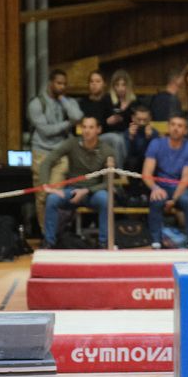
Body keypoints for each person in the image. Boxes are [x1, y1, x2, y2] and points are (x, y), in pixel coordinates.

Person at [38, 116, 114, 248]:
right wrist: (46, 185)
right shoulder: (72, 143)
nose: (87, 131)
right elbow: (47, 162)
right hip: (72, 191)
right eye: (84, 127)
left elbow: (108, 183)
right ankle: (49, 242)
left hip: (93, 192)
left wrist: (86, 191)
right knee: (52, 199)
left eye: (91, 127)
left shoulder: (107, 151)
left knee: (105, 199)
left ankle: (104, 243)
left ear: (98, 130)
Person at [27, 68, 83, 230]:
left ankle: (55, 232)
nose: (62, 87)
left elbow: (78, 117)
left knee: (55, 194)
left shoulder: (67, 101)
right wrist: (68, 124)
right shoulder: (37, 103)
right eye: (58, 83)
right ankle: (46, 232)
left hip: (61, 153)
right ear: (50, 83)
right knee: (42, 195)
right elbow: (46, 131)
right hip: (41, 152)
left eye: (64, 84)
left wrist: (63, 99)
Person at [141, 113, 188, 249]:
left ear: (185, 130)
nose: (175, 128)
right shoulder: (156, 144)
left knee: (187, 201)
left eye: (180, 126)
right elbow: (146, 173)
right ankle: (155, 240)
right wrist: (155, 188)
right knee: (156, 200)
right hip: (161, 184)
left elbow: (186, 179)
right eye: (173, 125)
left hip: (180, 186)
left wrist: (173, 199)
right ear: (168, 127)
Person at [77, 70, 126, 167]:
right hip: (87, 135)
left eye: (98, 81)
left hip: (104, 136)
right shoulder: (83, 102)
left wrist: (115, 120)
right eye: (91, 81)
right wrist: (106, 122)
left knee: (117, 139)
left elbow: (117, 125)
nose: (94, 84)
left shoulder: (110, 100)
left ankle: (118, 172)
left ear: (104, 84)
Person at [107, 68, 137, 133]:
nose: (120, 88)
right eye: (117, 85)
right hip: (111, 134)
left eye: (124, 85)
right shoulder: (107, 100)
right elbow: (100, 123)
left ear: (128, 85)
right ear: (113, 86)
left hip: (129, 134)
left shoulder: (135, 102)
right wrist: (107, 122)